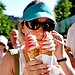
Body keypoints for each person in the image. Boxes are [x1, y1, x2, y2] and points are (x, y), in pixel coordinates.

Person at [18, 0, 75, 75]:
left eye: (47, 25)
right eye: (33, 24)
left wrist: (61, 57)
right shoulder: (12, 58)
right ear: (22, 27)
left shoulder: (60, 54)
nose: (41, 32)